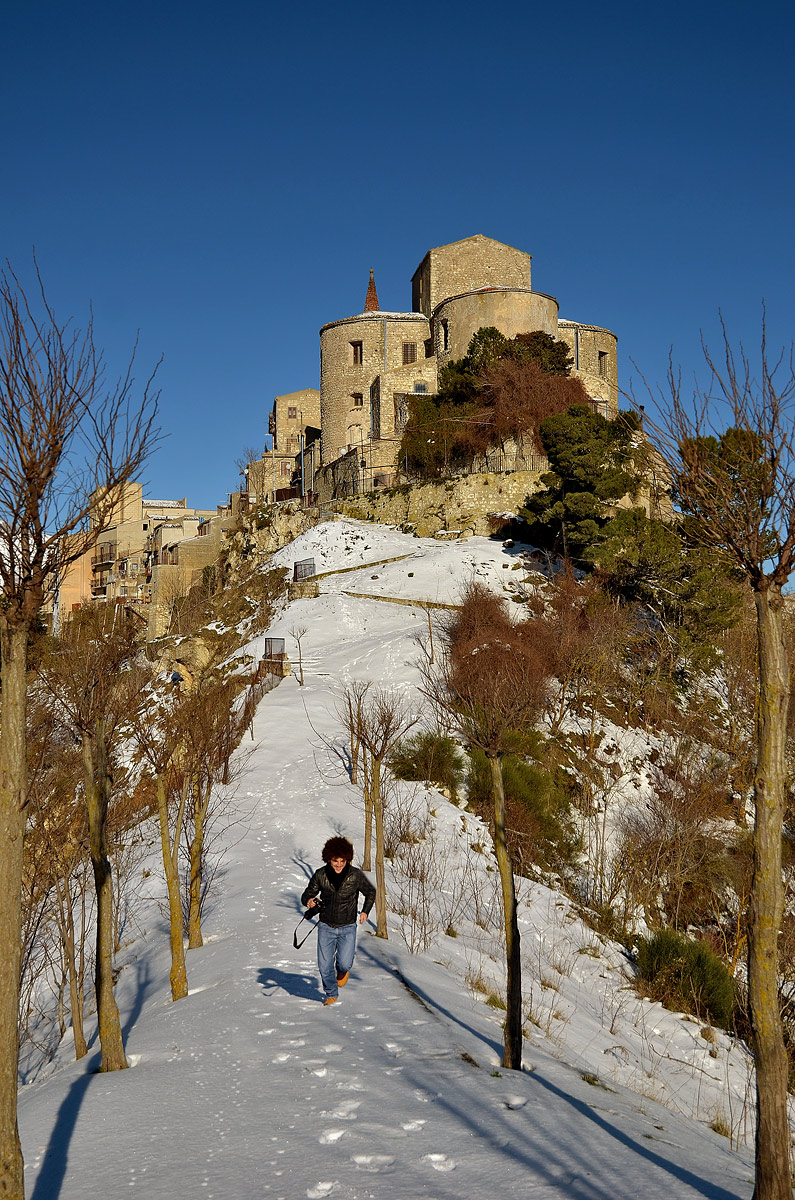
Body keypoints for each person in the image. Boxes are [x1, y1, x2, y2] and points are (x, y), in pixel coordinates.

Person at [301, 836, 376, 1006]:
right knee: (324, 965)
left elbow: (370, 892)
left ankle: (342, 972)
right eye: (336, 860)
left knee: (344, 963)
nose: (339, 864)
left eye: (343, 861)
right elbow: (307, 894)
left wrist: (365, 911)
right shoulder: (321, 875)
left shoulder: (355, 875)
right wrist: (309, 901)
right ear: (329, 859)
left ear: (347, 859)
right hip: (326, 926)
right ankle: (331, 994)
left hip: (348, 927)